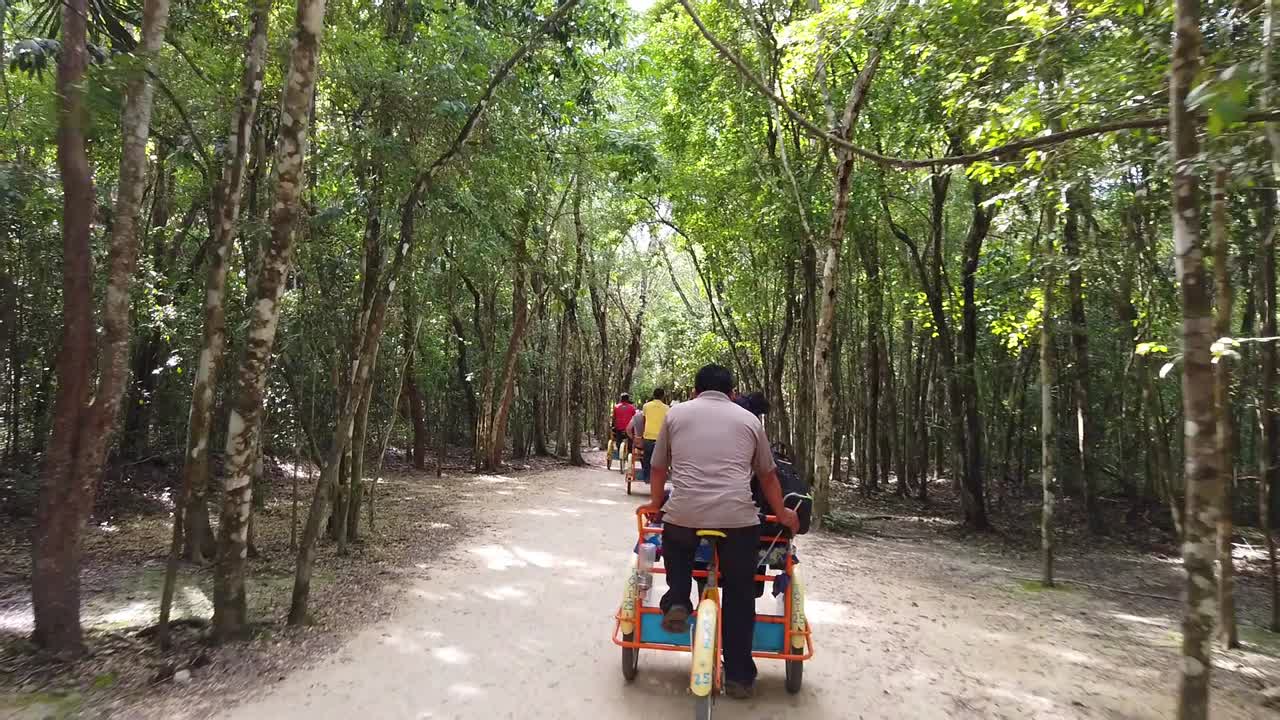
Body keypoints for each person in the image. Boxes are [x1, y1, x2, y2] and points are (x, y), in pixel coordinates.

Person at [639, 365, 800, 700]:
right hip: (738, 521)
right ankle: (740, 676)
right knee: (741, 593)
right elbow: (768, 476)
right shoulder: (749, 420)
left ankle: (679, 599)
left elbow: (657, 466)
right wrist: (783, 512)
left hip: (685, 515)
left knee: (677, 543)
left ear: (695, 392)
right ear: (732, 394)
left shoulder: (676, 414)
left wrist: (656, 503)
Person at [639, 388, 669, 483]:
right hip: (661, 438)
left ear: (653, 395)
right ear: (663, 396)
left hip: (648, 436)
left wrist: (643, 434)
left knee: (647, 458)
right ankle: (659, 479)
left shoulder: (646, 406)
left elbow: (644, 421)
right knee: (661, 460)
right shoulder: (667, 408)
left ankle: (647, 478)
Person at [610, 393, 638, 461]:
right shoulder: (632, 407)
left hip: (619, 428)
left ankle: (620, 450)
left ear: (621, 399)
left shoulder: (616, 407)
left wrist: (613, 426)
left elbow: (614, 418)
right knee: (631, 440)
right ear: (628, 399)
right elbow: (635, 418)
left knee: (618, 440)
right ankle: (630, 453)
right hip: (629, 429)